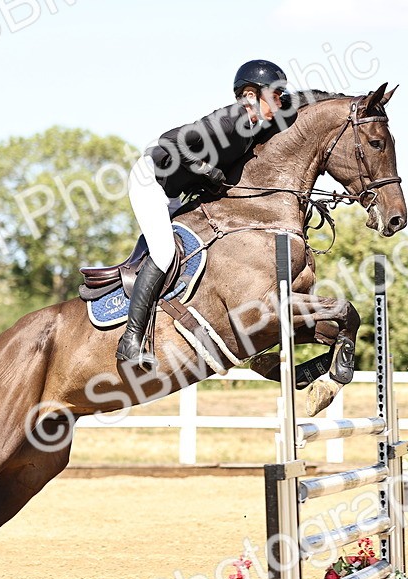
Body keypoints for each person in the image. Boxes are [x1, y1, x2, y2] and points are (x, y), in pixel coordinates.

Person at [116, 59, 292, 367]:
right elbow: (169, 140)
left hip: (173, 191)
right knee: (164, 254)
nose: (279, 103)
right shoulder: (230, 119)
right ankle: (130, 340)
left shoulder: (251, 129)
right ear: (251, 95)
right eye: (275, 95)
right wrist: (204, 170)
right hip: (150, 182)